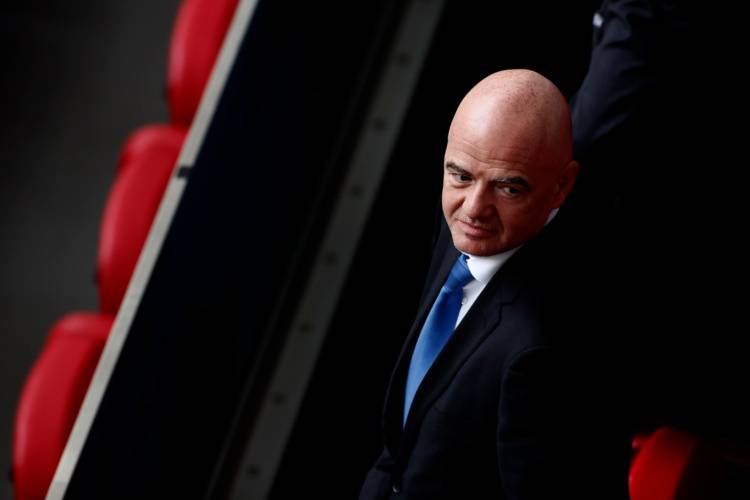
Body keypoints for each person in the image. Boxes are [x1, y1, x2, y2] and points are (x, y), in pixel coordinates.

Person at [359, 69, 630, 499]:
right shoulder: (469, 226)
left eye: (508, 189)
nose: (474, 207)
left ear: (561, 186)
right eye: (461, 176)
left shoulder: (547, 348)